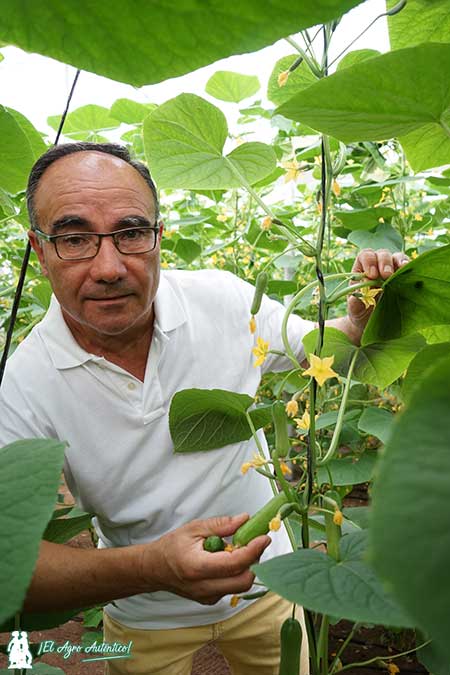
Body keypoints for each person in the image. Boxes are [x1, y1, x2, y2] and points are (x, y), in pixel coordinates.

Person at [0, 143, 408, 675]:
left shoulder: (224, 301)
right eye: (74, 238)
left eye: (131, 232)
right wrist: (153, 567)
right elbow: (11, 568)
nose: (108, 266)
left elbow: (322, 351)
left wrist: (361, 315)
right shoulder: (24, 382)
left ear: (159, 237)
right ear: (39, 248)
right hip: (144, 609)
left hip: (270, 584)